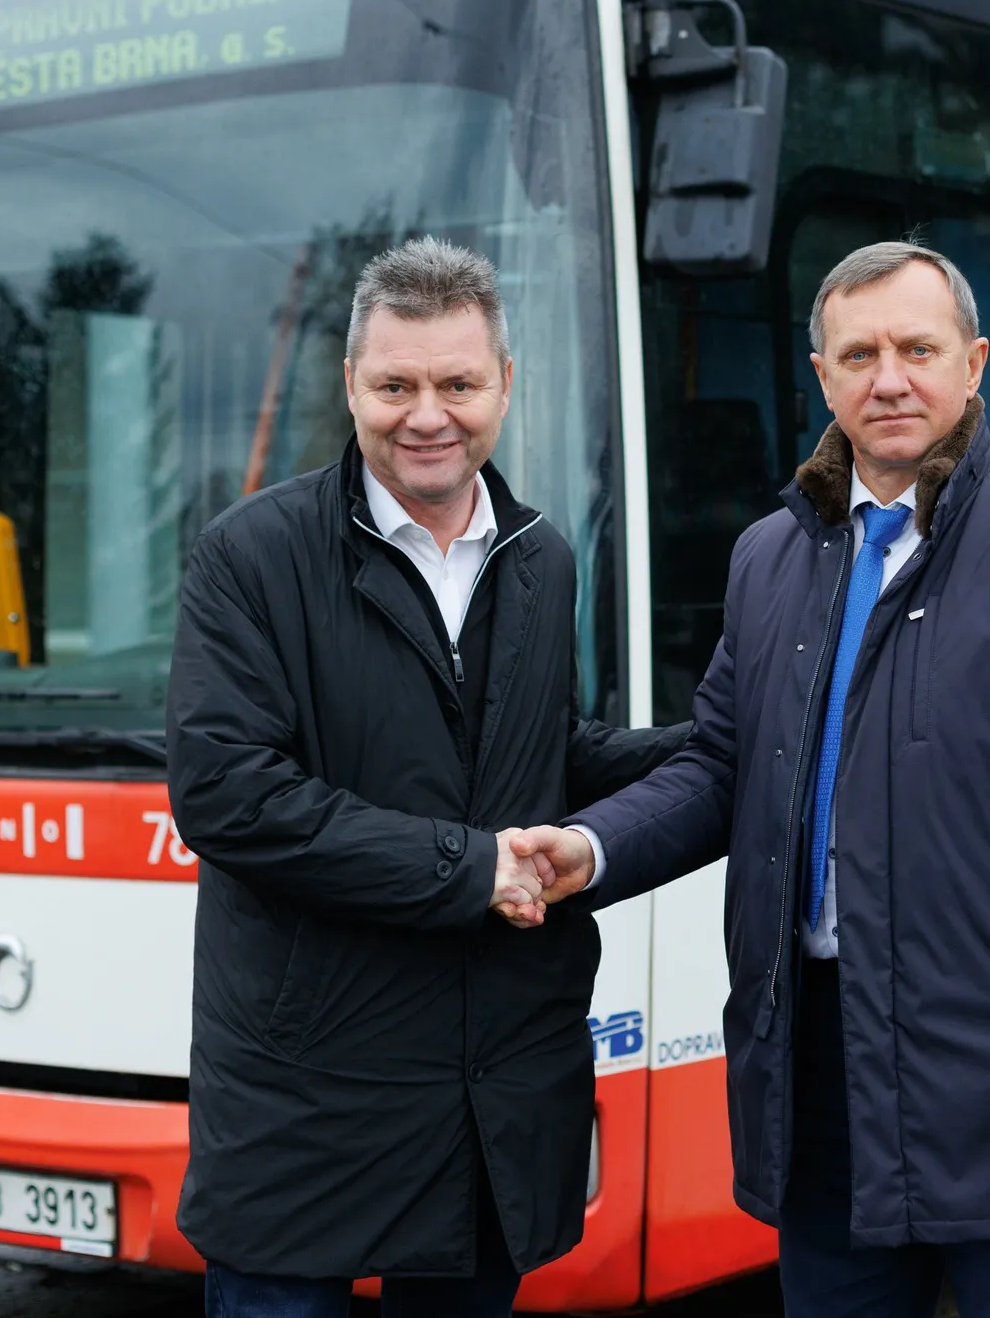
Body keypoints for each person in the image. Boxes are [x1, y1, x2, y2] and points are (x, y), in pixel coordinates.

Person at [513, 242, 990, 1317]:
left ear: (972, 363)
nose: (890, 379)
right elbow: (721, 766)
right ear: (821, 377)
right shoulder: (768, 558)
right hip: (817, 1068)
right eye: (860, 354)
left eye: (918, 349)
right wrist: (589, 849)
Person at [167, 236, 688, 1318]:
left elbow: (537, 752)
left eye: (457, 383)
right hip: (307, 1108)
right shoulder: (249, 554)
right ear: (349, 384)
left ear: (505, 385)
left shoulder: (540, 556)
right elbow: (228, 794)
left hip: (488, 1096)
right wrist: (472, 867)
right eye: (395, 385)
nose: (427, 415)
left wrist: (724, 745)